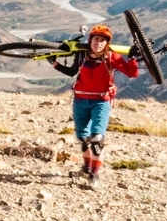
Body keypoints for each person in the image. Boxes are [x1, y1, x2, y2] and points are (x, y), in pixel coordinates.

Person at [48, 24, 138, 188]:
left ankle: (94, 176)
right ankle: (86, 168)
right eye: (96, 39)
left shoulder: (112, 57)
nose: (99, 43)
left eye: (103, 40)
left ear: (107, 43)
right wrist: (55, 64)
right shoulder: (82, 54)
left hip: (101, 101)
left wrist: (132, 59)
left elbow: (132, 73)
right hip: (80, 100)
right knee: (83, 138)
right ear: (90, 40)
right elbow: (72, 72)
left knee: (97, 140)